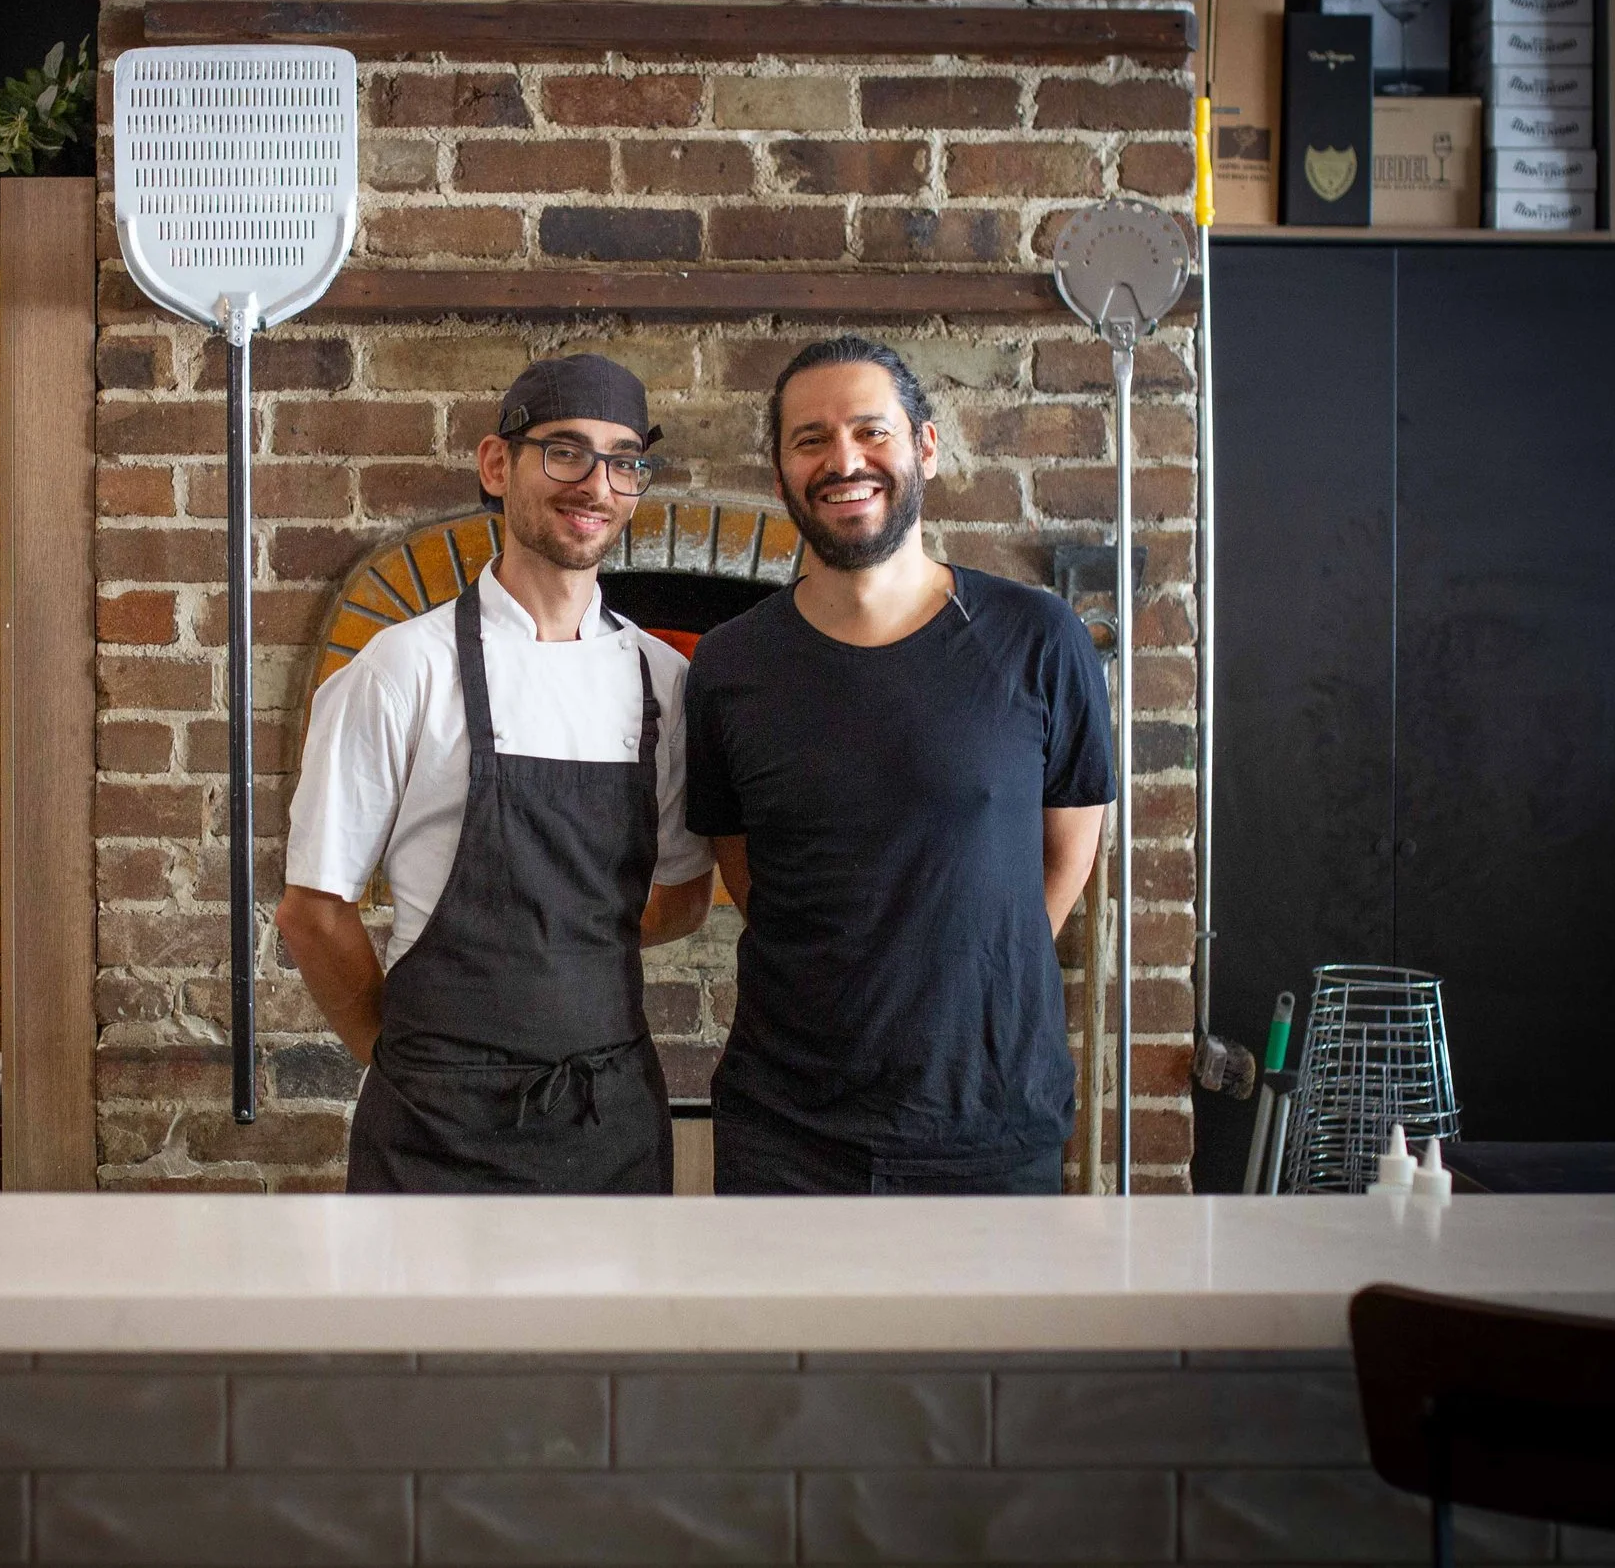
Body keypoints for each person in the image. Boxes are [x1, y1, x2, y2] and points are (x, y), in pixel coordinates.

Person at [278, 354, 718, 1193]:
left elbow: (682, 900)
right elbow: (313, 911)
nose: (595, 482)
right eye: (564, 450)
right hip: (434, 1133)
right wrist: (410, 1057)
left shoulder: (666, 682)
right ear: (495, 463)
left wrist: (560, 964)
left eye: (623, 460)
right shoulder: (401, 668)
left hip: (609, 1122)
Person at [685, 336, 1114, 1195]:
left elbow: (1067, 855)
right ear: (780, 475)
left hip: (989, 1123)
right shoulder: (730, 665)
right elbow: (747, 869)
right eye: (810, 440)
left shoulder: (1038, 637)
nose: (843, 459)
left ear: (923, 446)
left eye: (870, 431)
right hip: (787, 1133)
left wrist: (976, 968)